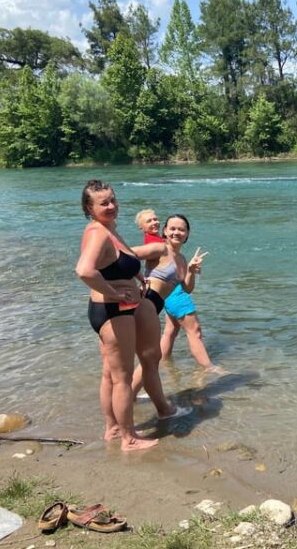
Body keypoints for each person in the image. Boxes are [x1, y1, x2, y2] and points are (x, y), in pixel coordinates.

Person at [75, 180, 181, 452]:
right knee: (122, 378)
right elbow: (85, 270)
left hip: (111, 309)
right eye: (103, 203)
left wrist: (136, 275)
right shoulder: (98, 233)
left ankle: (112, 428)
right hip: (112, 311)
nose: (111, 206)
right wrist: (114, 292)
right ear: (89, 207)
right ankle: (129, 438)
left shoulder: (108, 229)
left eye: (112, 200)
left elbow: (119, 259)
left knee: (109, 374)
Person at [132, 213, 221, 380]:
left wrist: (191, 270)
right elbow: (126, 255)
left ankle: (134, 397)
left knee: (151, 358)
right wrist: (134, 281)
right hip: (146, 304)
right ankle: (129, 397)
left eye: (181, 229)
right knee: (149, 358)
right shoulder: (160, 248)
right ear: (164, 231)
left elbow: (187, 288)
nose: (176, 232)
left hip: (156, 306)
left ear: (187, 234)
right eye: (172, 228)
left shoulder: (181, 259)